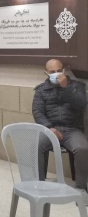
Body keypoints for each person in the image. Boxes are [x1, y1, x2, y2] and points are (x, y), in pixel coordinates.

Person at [33, 58, 88, 198]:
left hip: (72, 129)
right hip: (51, 129)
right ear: (46, 73)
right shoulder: (41, 90)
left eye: (59, 70)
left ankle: (81, 188)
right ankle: (39, 184)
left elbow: (81, 104)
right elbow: (37, 112)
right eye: (52, 72)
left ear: (64, 70)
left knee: (82, 148)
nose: (56, 74)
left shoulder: (76, 86)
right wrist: (49, 128)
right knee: (36, 145)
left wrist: (66, 87)